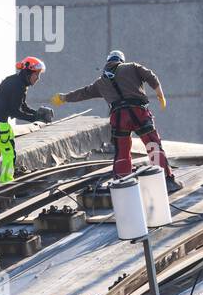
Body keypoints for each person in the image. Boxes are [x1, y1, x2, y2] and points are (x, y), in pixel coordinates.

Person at [51, 50, 183, 193]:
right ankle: (165, 180)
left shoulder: (101, 82)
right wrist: (160, 95)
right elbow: (151, 77)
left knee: (122, 151)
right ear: (121, 60)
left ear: (108, 61)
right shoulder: (132, 67)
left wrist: (63, 98)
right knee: (152, 144)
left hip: (119, 117)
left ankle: (123, 183)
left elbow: (83, 93)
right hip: (138, 112)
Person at [0, 57, 54, 186]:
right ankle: (6, 182)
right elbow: (14, 111)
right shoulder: (18, 86)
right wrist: (35, 119)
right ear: (28, 72)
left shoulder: (13, 81)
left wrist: (36, 114)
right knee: (9, 153)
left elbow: (21, 105)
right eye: (37, 74)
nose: (38, 78)